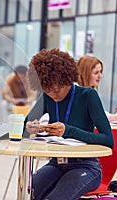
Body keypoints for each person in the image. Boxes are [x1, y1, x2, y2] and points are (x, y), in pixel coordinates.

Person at [25, 48, 114, 200]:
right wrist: (30, 127)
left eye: (56, 90)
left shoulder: (88, 96)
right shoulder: (47, 97)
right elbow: (25, 127)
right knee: (29, 193)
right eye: (47, 90)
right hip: (56, 164)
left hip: (86, 166)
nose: (52, 95)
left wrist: (68, 130)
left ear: (67, 79)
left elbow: (108, 140)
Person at [77, 55, 117, 121]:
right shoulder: (77, 93)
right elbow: (95, 116)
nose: (100, 76)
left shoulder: (92, 91)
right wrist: (114, 117)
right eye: (96, 73)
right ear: (85, 74)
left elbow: (100, 112)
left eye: (101, 72)